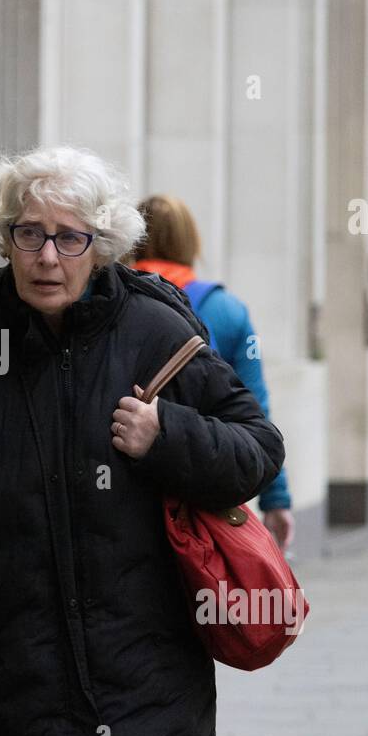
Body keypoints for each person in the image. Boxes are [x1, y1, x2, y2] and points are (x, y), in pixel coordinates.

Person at [0, 146, 285, 736]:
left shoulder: (153, 332)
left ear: (101, 245)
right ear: (5, 237)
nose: (46, 257)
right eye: (29, 234)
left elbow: (258, 450)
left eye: (70, 238)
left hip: (142, 708)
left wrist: (168, 435)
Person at [130, 194, 295, 551]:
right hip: (205, 481)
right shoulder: (227, 309)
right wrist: (276, 499)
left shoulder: (111, 304)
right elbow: (256, 409)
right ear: (192, 243)